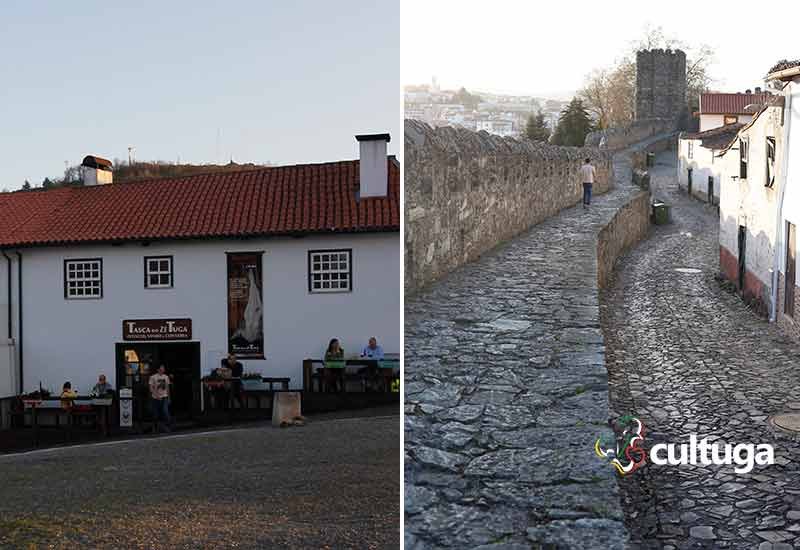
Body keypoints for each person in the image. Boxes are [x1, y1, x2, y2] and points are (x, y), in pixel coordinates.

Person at [149, 364, 171, 432]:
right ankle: (155, 427)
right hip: (155, 398)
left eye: (163, 369)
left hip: (164, 397)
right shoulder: (153, 377)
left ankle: (167, 426)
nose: (163, 370)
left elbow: (167, 388)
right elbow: (150, 388)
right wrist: (156, 396)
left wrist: (169, 397)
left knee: (165, 412)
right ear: (158, 370)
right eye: (161, 369)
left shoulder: (166, 377)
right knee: (155, 414)